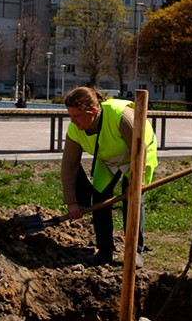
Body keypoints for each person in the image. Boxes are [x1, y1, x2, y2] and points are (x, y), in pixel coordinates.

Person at [60, 87, 158, 269]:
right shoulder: (75, 129)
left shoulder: (120, 115)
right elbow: (69, 165)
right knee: (99, 198)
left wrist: (135, 183)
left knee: (133, 200)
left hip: (140, 154)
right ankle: (104, 250)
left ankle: (134, 250)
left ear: (93, 111)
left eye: (76, 115)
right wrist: (71, 201)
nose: (72, 120)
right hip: (109, 158)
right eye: (70, 115)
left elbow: (139, 150)